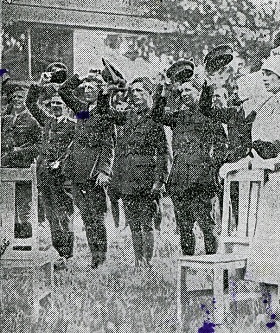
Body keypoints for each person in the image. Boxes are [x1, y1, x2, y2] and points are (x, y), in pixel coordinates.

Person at [232, 54, 280, 313]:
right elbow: (256, 151)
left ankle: (278, 306)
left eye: (270, 74)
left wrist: (271, 163)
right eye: (263, 74)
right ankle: (269, 304)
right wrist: (239, 164)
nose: (265, 79)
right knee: (266, 244)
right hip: (267, 184)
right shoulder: (264, 107)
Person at [151, 60, 227, 256]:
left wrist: (214, 168)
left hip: (202, 179)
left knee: (207, 226)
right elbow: (157, 115)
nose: (184, 94)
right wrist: (161, 87)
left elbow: (221, 145)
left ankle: (214, 268)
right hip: (180, 178)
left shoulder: (210, 114)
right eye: (182, 91)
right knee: (184, 228)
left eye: (189, 91)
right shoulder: (178, 116)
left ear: (199, 92)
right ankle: (187, 266)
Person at [57, 70, 120, 269]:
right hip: (77, 171)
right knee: (86, 216)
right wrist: (81, 76)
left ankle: (100, 260)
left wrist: (104, 170)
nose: (86, 90)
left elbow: (109, 144)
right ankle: (95, 258)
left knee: (97, 217)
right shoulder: (83, 110)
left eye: (91, 87)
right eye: (84, 87)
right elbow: (64, 91)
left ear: (100, 91)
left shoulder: (104, 112)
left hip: (94, 174)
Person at [111, 77, 172, 267]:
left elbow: (164, 152)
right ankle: (138, 261)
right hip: (127, 178)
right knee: (133, 223)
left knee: (146, 222)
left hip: (147, 178)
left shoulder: (155, 118)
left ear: (149, 94)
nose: (135, 95)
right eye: (133, 91)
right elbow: (120, 149)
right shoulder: (127, 117)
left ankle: (147, 262)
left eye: (140, 91)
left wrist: (160, 181)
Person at [25, 76, 76, 267]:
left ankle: (68, 255)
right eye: (53, 103)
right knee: (51, 215)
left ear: (67, 106)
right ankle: (59, 254)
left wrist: (61, 163)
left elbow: (74, 149)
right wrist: (39, 83)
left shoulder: (73, 125)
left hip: (63, 178)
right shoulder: (47, 121)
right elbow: (30, 102)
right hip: (45, 176)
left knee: (64, 215)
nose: (55, 106)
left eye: (59, 103)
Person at [1, 82, 43, 241]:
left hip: (23, 167)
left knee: (23, 208)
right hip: (6, 167)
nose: (17, 99)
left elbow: (39, 145)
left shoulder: (33, 120)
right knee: (7, 207)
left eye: (21, 97)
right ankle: (8, 242)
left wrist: (21, 152)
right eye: (14, 97)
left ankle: (24, 244)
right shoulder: (6, 119)